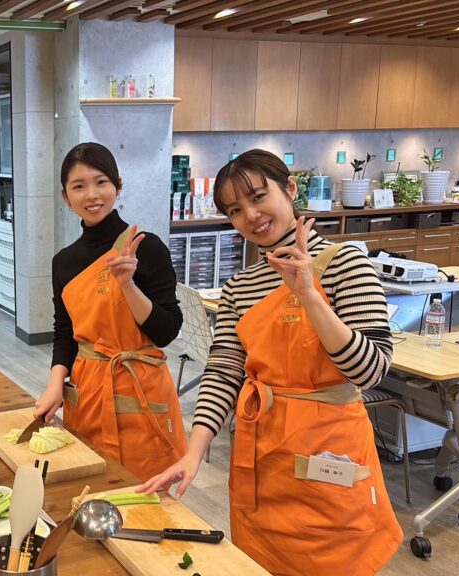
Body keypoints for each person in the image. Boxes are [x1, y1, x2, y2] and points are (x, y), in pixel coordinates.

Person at [141, 149, 401, 575]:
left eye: (259, 197)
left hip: (328, 456)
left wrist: (309, 296)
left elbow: (370, 370)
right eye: (235, 210)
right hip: (261, 458)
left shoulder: (345, 263)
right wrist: (193, 452)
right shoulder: (239, 286)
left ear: (290, 188)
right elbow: (224, 371)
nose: (251, 216)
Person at [34, 142, 186, 481]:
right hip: (88, 391)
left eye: (101, 182)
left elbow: (167, 331)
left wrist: (128, 285)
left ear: (118, 185)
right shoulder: (64, 262)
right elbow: (65, 332)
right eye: (79, 186)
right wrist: (55, 384)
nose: (92, 195)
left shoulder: (145, 246)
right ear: (65, 196)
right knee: (90, 486)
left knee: (145, 494)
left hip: (141, 391)